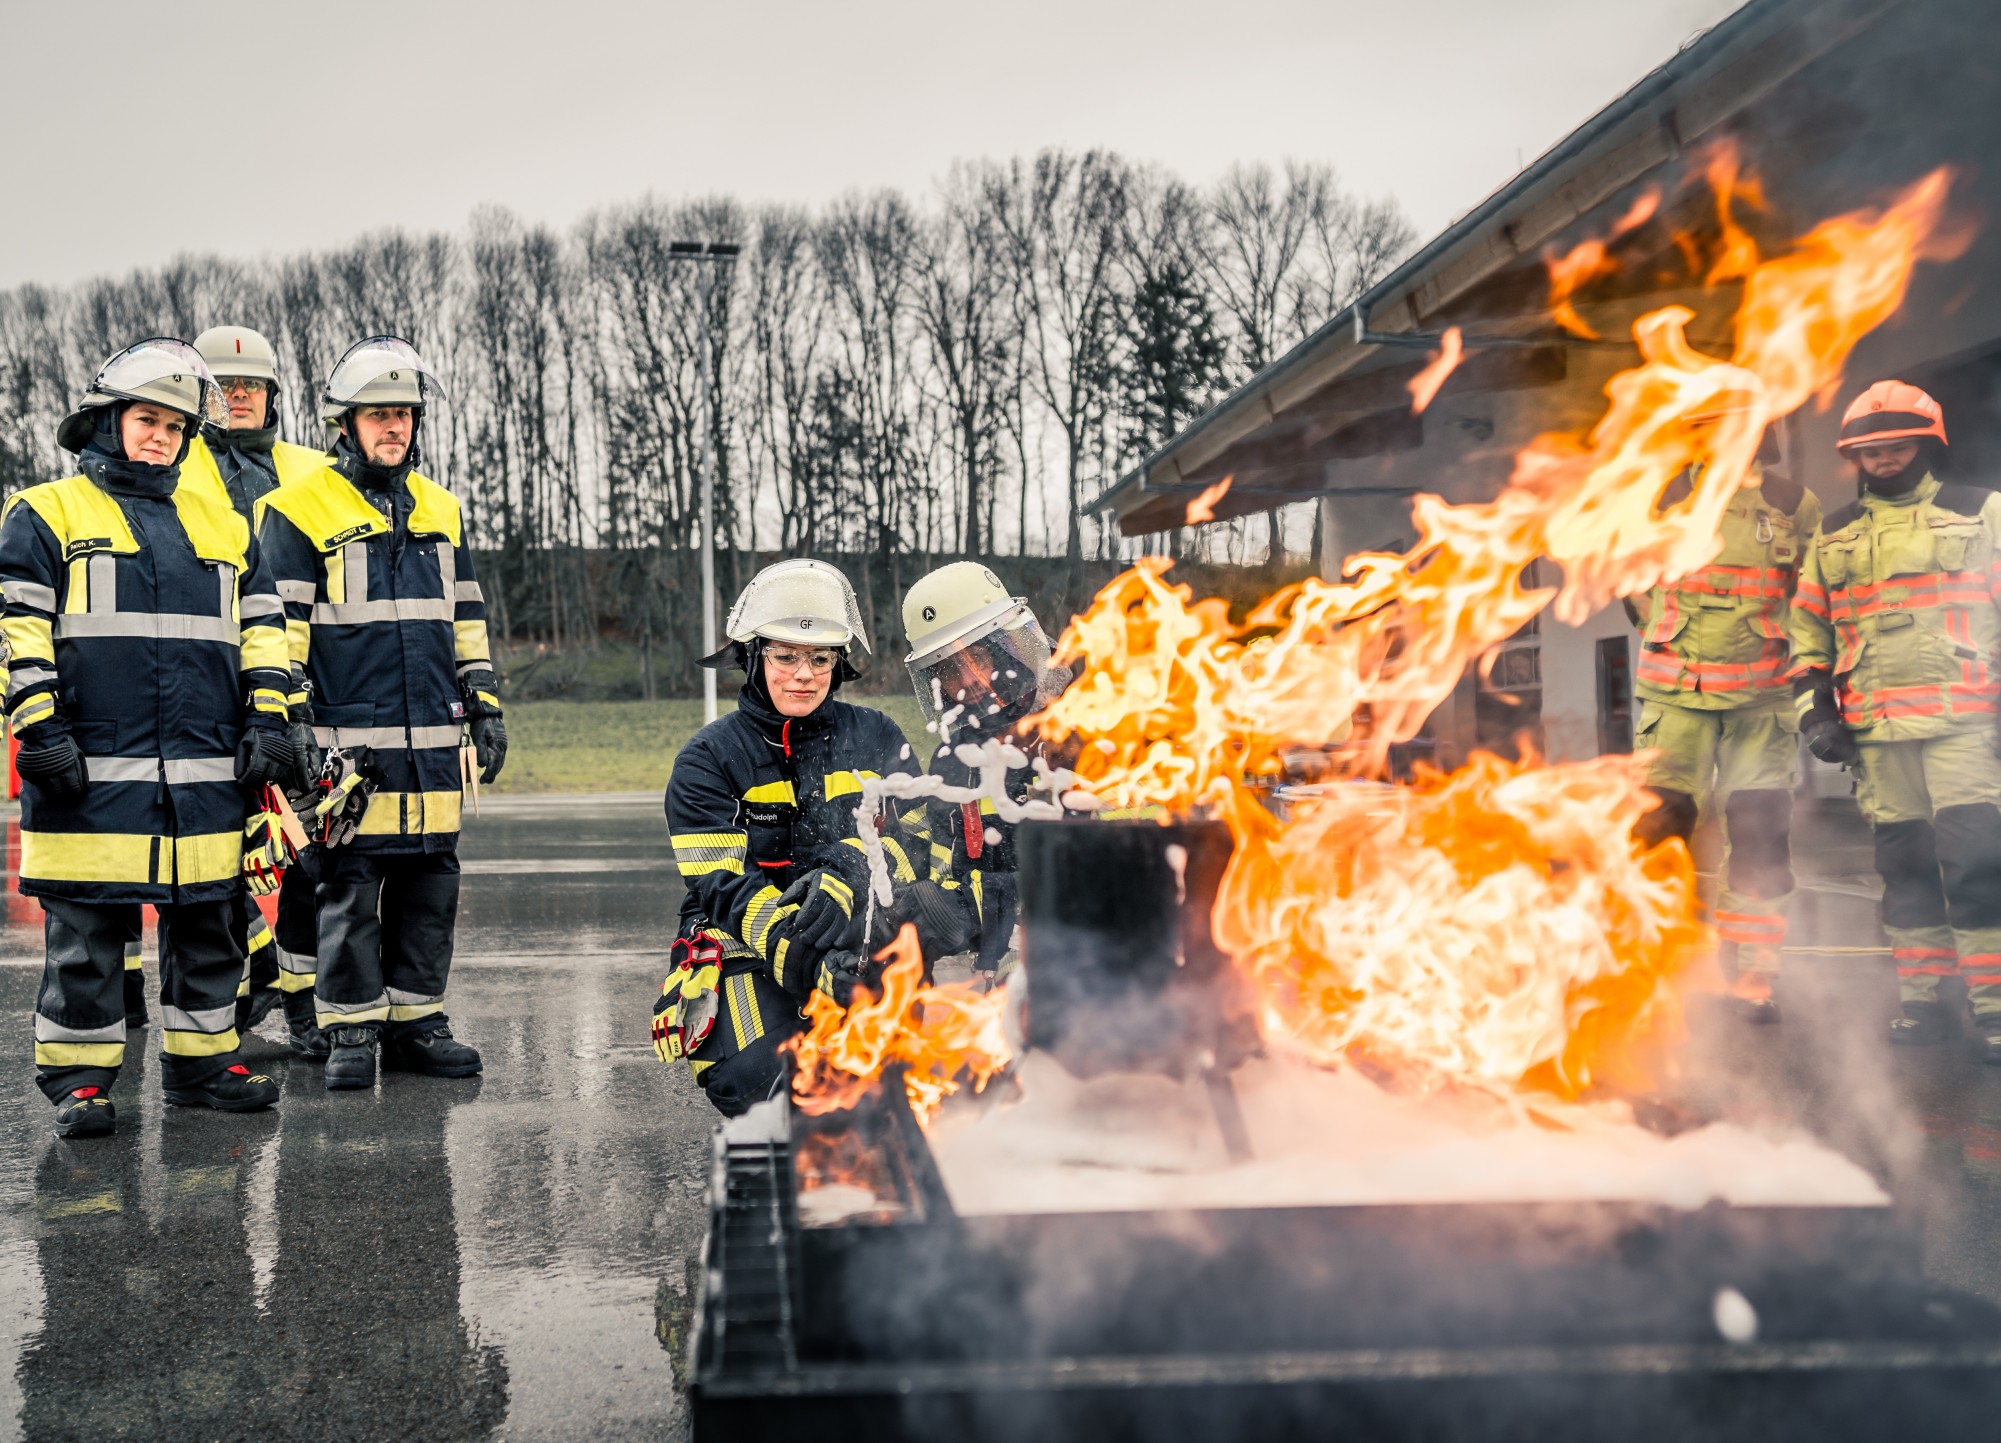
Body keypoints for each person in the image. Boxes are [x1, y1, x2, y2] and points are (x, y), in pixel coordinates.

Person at [0, 338, 294, 1136]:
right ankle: (80, 1082)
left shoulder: (225, 524)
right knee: (88, 936)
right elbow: (16, 629)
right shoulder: (45, 512)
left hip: (204, 773)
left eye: (174, 424)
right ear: (107, 419)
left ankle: (201, 1066)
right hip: (86, 769)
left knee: (209, 925)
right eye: (146, 418)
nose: (161, 435)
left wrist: (271, 718)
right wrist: (37, 727)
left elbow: (264, 630)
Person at [257, 336, 504, 1091]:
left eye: (404, 413)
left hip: (432, 746)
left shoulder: (442, 508)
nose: (394, 427)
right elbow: (280, 625)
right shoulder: (295, 509)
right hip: (346, 752)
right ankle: (351, 1029)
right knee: (349, 890)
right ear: (344, 424)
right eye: (378, 415)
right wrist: (288, 718)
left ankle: (418, 1023)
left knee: (430, 888)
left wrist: (486, 702)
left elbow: (466, 617)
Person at [655, 559, 926, 1116]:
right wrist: (810, 963)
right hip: (745, 949)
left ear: (840, 663)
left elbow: (923, 837)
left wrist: (849, 872)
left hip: (860, 938)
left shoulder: (878, 737)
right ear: (753, 658)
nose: (803, 674)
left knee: (905, 1083)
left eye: (820, 658)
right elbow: (723, 891)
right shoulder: (706, 760)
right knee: (770, 1085)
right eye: (785, 656)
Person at [1789, 381, 2001, 1062]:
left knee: (1974, 865)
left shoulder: (1982, 512)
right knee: (1903, 871)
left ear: (1925, 444)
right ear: (1854, 454)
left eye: (1896, 446)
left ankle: (1994, 1010)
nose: (1883, 459)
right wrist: (1815, 710)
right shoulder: (1833, 532)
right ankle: (1924, 1002)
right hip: (1876, 735)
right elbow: (1807, 630)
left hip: (1963, 728)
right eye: (1870, 449)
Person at [1627, 425, 1819, 1022]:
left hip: (1761, 700)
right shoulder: (1658, 494)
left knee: (1759, 836)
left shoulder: (1794, 503)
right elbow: (1629, 581)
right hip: (1675, 697)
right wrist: (1665, 640)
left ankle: (1754, 974)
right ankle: (1657, 971)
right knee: (1660, 828)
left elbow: (1812, 594)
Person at [182, 324, 332, 1060]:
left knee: (308, 855)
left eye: (251, 386)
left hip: (299, 682)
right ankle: (251, 972)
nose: (238, 397)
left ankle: (304, 1005)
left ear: (273, 395)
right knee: (210, 851)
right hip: (208, 681)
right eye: (223, 386)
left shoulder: (314, 468)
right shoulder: (172, 466)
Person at [900, 562, 1072, 976]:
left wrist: (992, 899)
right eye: (949, 669)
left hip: (1105, 963)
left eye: (976, 655)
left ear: (1012, 644)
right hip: (1004, 973)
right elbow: (936, 852)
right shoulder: (957, 760)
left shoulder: (1090, 720)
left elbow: (1127, 850)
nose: (971, 680)